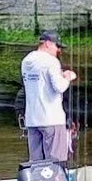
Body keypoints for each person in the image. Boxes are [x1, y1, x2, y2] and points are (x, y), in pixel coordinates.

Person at [21, 30, 77, 166]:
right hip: (52, 120)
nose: (59, 50)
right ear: (47, 43)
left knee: (36, 164)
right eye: (57, 46)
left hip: (32, 120)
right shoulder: (51, 61)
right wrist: (68, 77)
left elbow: (41, 82)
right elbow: (59, 87)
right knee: (55, 163)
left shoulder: (27, 60)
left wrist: (59, 75)